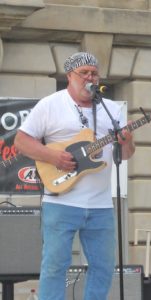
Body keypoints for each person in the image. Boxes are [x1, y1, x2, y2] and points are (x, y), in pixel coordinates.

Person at [14, 52, 135, 300]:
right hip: (61, 202)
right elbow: (21, 141)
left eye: (94, 73)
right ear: (70, 76)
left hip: (101, 205)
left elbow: (126, 153)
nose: (90, 77)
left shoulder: (111, 109)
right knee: (55, 267)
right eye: (84, 73)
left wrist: (127, 141)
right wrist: (52, 157)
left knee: (103, 267)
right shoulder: (50, 104)